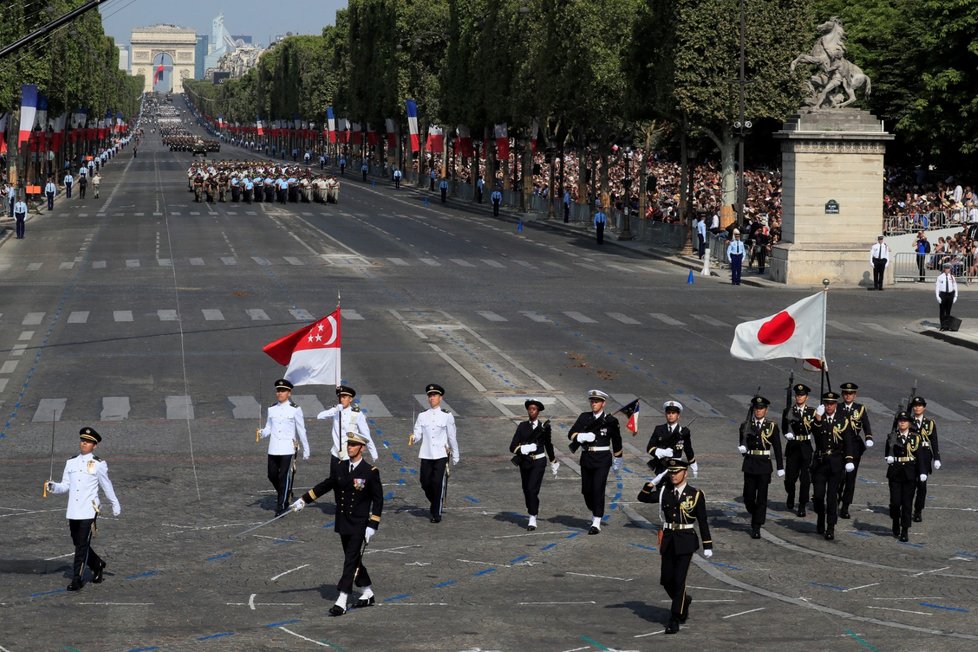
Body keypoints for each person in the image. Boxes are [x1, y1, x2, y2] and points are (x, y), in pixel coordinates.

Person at [291, 433, 383, 616]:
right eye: (349, 444)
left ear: (361, 448)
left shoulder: (369, 471)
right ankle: (367, 592)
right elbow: (326, 485)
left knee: (350, 560)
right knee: (354, 558)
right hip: (343, 521)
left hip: (359, 523)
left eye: (354, 445)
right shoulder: (341, 467)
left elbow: (378, 499)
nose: (349, 447)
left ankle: (342, 599)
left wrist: (372, 525)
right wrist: (304, 500)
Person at [45, 427, 122, 591]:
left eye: (88, 442)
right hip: (73, 509)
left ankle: (77, 579)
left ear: (95, 446)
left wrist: (115, 503)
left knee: (81, 545)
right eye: (83, 440)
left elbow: (106, 485)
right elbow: (65, 485)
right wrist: (53, 487)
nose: (84, 444)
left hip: (89, 509)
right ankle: (97, 564)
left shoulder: (99, 464)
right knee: (78, 541)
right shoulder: (71, 462)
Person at [657, 458, 713, 635]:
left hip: (686, 540)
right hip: (668, 539)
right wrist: (654, 481)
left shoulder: (695, 494)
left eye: (677, 472)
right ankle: (684, 601)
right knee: (666, 580)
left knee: (679, 580)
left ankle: (675, 618)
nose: (673, 475)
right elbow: (642, 497)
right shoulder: (664, 491)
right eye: (671, 472)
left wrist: (707, 544)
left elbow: (702, 521)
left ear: (685, 473)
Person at [568, 389, 623, 534]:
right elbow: (571, 434)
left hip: (603, 459)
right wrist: (582, 436)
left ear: (603, 403)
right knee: (586, 491)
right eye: (592, 401)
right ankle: (595, 509)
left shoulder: (611, 421)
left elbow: (617, 441)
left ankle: (596, 521)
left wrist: (618, 459)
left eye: (597, 401)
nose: (593, 404)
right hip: (587, 458)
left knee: (598, 488)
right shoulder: (584, 418)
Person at [258, 379, 311, 516]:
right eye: (278, 391)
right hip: (274, 447)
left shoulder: (295, 409)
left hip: (288, 448)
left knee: (283, 476)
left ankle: (281, 506)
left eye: (283, 391)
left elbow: (301, 429)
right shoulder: (271, 409)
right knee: (271, 475)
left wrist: (306, 448)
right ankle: (286, 492)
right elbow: (269, 427)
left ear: (289, 393)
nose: (279, 393)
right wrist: (262, 433)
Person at [409, 384, 459, 523]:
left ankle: (436, 513)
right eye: (430, 396)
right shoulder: (422, 415)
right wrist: (414, 438)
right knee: (425, 482)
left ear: (440, 398)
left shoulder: (447, 416)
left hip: (441, 454)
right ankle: (436, 502)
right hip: (426, 453)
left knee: (437, 482)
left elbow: (452, 436)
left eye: (434, 395)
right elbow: (418, 432)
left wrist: (455, 454)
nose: (432, 398)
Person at [810, 391, 856, 540]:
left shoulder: (843, 420)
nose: (829, 406)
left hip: (836, 463)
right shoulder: (819, 418)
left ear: (836, 405)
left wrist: (849, 460)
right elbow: (815, 434)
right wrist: (818, 417)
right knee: (818, 496)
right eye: (826, 403)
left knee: (832, 498)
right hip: (820, 462)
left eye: (831, 404)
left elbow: (848, 441)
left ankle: (830, 526)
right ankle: (820, 515)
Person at [737, 396, 784, 539]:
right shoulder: (746, 425)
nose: (758, 411)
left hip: (764, 464)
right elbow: (743, 442)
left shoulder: (772, 426)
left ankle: (756, 525)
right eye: (756, 409)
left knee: (762, 497)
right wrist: (743, 449)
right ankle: (755, 512)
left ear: (766, 410)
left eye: (761, 409)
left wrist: (780, 467)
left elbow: (777, 447)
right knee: (748, 496)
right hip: (750, 463)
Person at [508, 399, 558, 531]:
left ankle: (532, 517)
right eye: (530, 409)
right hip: (524, 462)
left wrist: (553, 460)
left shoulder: (544, 428)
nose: (531, 411)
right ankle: (531, 509)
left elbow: (548, 444)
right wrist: (522, 449)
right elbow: (512, 446)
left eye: (534, 409)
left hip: (539, 462)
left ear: (538, 411)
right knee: (526, 489)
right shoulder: (522, 426)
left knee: (532, 489)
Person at [316, 385, 379, 476]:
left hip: (349, 455)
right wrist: (335, 410)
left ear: (350, 399)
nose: (341, 400)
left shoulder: (357, 414)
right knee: (334, 482)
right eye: (340, 397)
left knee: (347, 484)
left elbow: (366, 434)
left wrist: (373, 452)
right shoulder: (335, 410)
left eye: (344, 397)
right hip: (335, 453)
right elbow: (319, 416)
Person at [644, 401, 697, 501]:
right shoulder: (659, 429)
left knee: (676, 495)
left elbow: (688, 449)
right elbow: (650, 448)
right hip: (662, 466)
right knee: (662, 494)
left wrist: (693, 464)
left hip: (676, 468)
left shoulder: (683, 432)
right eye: (668, 413)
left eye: (673, 413)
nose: (671, 415)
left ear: (678, 416)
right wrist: (662, 452)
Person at [836, 382, 874, 519]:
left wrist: (868, 437)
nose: (848, 396)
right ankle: (836, 500)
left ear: (855, 395)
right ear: (842, 395)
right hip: (839, 445)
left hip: (854, 445)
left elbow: (866, 424)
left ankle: (845, 506)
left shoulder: (860, 408)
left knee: (850, 479)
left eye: (850, 393)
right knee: (838, 476)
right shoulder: (837, 407)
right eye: (845, 393)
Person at [885, 411, 922, 542]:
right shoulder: (892, 436)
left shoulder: (915, 438)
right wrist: (888, 457)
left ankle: (905, 529)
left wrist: (922, 472)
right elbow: (887, 454)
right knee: (895, 502)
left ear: (909, 423)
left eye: (905, 421)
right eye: (900, 420)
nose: (902, 422)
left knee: (907, 503)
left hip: (909, 473)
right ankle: (895, 520)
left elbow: (920, 456)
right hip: (895, 472)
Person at [781, 383, 815, 517]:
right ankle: (791, 493)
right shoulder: (788, 411)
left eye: (802, 395)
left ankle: (802, 504)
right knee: (790, 478)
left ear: (806, 397)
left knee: (806, 479)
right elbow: (784, 427)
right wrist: (786, 434)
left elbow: (817, 429)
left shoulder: (811, 412)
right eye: (797, 395)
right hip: (793, 446)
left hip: (806, 446)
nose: (799, 397)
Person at [909, 396, 940, 522]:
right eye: (915, 406)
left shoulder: (930, 423)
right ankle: (906, 508)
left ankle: (918, 510)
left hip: (925, 456)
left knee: (922, 486)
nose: (917, 408)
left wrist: (937, 458)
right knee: (910, 484)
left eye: (920, 405)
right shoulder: (907, 420)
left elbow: (934, 441)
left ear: (924, 407)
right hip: (911, 455)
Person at [935, 262, 958, 330]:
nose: (947, 270)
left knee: (948, 311)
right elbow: (937, 287)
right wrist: (937, 296)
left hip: (950, 294)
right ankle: (942, 325)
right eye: (946, 268)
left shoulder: (952, 277)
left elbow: (955, 286)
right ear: (944, 269)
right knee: (942, 311)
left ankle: (947, 325)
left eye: (948, 268)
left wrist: (956, 296)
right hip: (943, 294)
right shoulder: (940, 277)